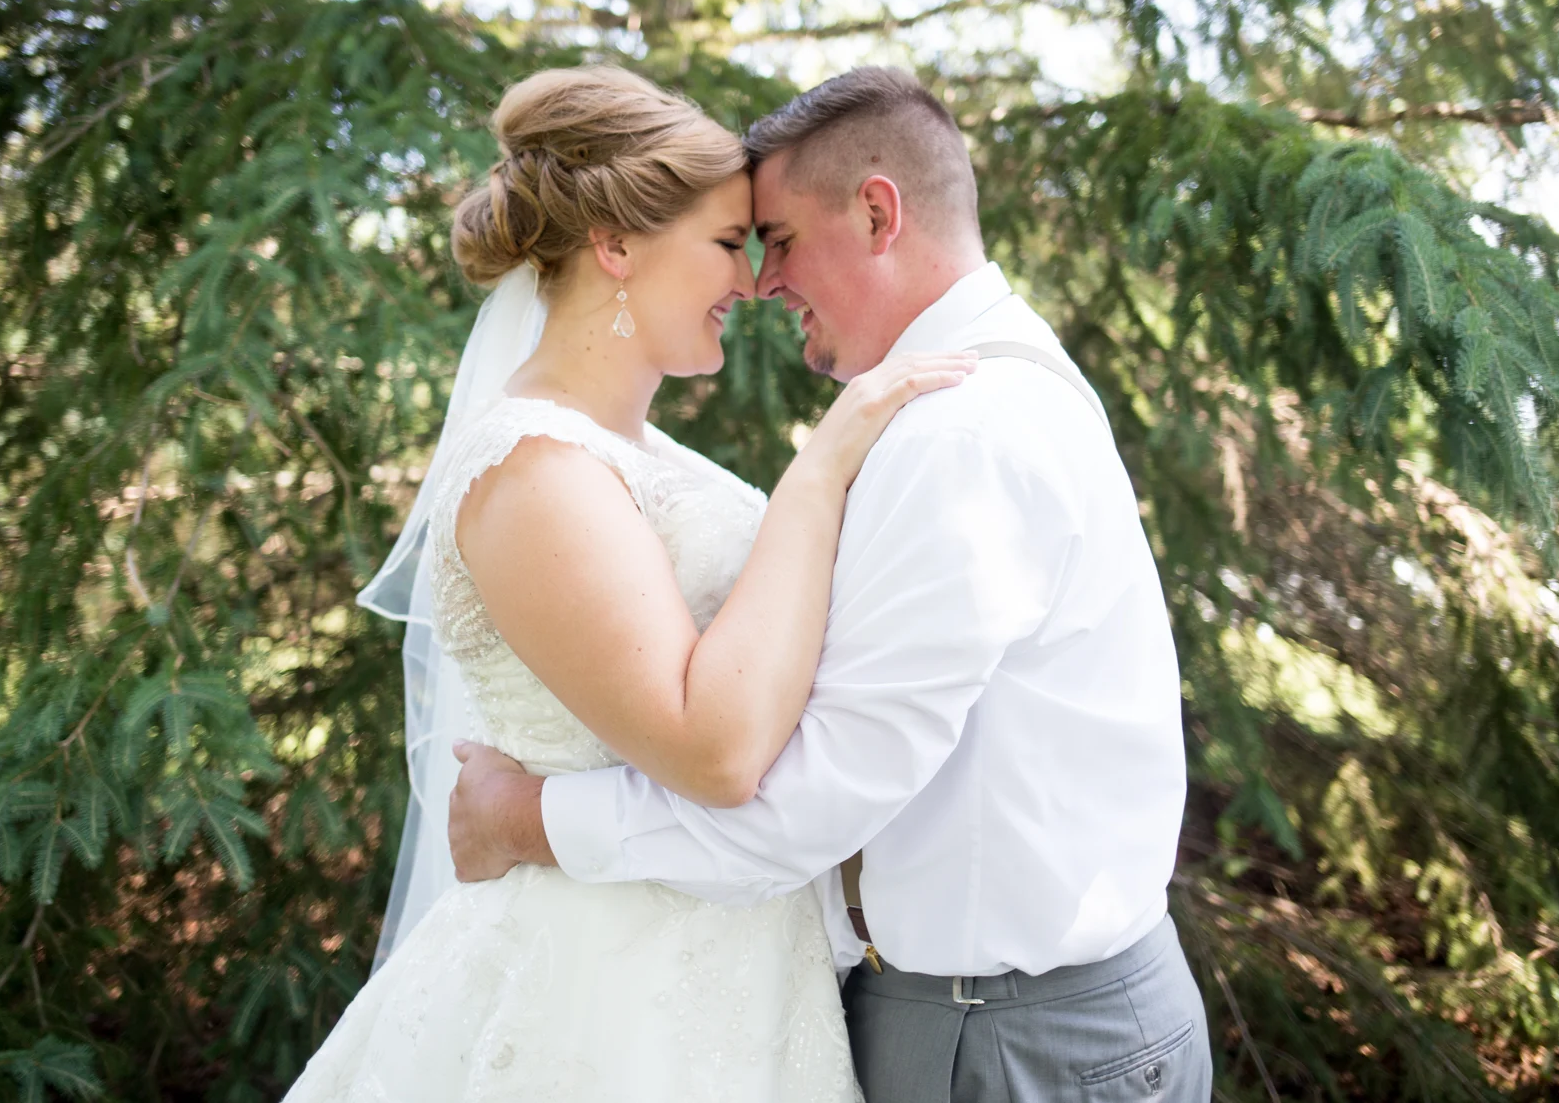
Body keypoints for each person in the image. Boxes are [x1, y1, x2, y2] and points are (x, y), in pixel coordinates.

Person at [448, 67, 1214, 1102]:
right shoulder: (954, 402)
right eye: (734, 245)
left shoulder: (959, 430)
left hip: (1004, 1037)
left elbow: (802, 799)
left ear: (875, 211)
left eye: (772, 240)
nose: (759, 282)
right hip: (891, 1010)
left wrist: (526, 818)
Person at [281, 65, 972, 1103]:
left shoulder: (641, 458)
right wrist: (820, 471)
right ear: (614, 246)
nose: (747, 282)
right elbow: (714, 746)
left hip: (735, 987)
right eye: (722, 243)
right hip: (602, 1009)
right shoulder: (534, 472)